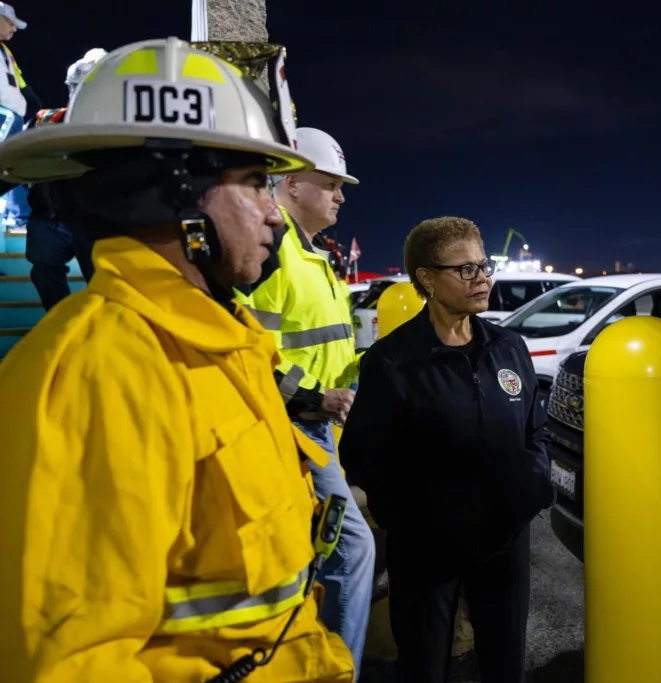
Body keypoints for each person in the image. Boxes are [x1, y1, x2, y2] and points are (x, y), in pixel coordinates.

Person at [0, 37, 354, 682]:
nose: (274, 215)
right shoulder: (100, 371)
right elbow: (72, 661)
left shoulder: (218, 344)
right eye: (255, 185)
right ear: (177, 194)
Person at [338, 217, 554, 683]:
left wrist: (531, 489)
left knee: (505, 664)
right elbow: (363, 454)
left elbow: (535, 431)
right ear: (427, 279)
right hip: (428, 551)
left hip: (505, 541)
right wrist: (416, 520)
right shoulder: (392, 361)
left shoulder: (509, 347)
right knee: (424, 665)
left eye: (484, 266)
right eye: (465, 270)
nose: (482, 279)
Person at [235, 126, 375, 680]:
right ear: (292, 183)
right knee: (351, 550)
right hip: (293, 429)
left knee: (317, 554)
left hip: (320, 432)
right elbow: (247, 350)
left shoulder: (313, 253)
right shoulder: (272, 251)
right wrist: (317, 396)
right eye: (331, 184)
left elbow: (321, 343)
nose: (340, 196)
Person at [24, 48, 107, 309]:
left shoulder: (115, 129)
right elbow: (18, 160)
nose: (78, 93)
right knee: (43, 268)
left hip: (94, 219)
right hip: (49, 217)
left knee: (102, 280)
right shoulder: (45, 120)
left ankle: (98, 326)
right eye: (75, 86)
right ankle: (61, 320)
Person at [0, 2, 37, 230]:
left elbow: (18, 79)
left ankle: (17, 215)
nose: (14, 29)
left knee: (14, 165)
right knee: (7, 162)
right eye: (10, 23)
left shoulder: (5, 51)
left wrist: (30, 98)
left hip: (14, 116)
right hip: (3, 115)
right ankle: (19, 216)